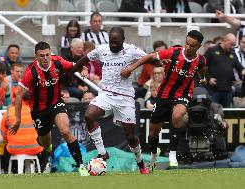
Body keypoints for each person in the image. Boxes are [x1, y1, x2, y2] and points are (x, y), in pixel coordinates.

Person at [120, 30, 207, 169]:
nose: (188, 47)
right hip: (164, 95)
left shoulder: (200, 60)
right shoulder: (174, 53)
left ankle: (172, 153)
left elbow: (202, 68)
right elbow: (149, 57)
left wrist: (203, 78)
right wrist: (131, 68)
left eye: (192, 45)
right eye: (187, 43)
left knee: (178, 115)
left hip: (183, 93)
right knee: (153, 134)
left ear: (199, 46)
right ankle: (154, 153)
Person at [76, 27, 150, 174]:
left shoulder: (131, 50)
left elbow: (151, 57)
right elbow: (83, 60)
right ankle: (102, 152)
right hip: (107, 94)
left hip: (125, 98)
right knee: (89, 115)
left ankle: (141, 163)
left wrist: (132, 68)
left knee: (130, 137)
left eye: (116, 42)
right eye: (111, 42)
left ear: (123, 40)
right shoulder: (101, 50)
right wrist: (82, 67)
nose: (113, 45)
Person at [10, 41, 89, 176]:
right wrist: (17, 120)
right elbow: (18, 96)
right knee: (45, 143)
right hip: (38, 110)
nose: (45, 58)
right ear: (36, 56)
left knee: (65, 130)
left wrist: (84, 69)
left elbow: (76, 66)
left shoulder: (58, 62)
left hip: (56, 103)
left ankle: (81, 166)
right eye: (42, 56)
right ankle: (48, 152)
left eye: (47, 55)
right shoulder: (31, 72)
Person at [0, 93, 48, 173]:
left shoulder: (8, 112)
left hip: (14, 149)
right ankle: (38, 170)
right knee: (47, 148)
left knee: (6, 147)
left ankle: (9, 171)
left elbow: (4, 135)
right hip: (34, 148)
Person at [204, 33, 245, 108]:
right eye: (231, 44)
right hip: (213, 90)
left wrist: (243, 71)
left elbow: (240, 68)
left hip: (228, 90)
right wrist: (208, 78)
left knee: (226, 115)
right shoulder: (212, 51)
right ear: (224, 41)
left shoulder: (232, 53)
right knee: (213, 113)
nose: (232, 47)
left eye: (234, 45)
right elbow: (200, 66)